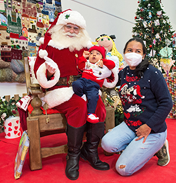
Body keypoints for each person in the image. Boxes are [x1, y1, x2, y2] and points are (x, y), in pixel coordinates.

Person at [33, 9, 117, 180]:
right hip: (59, 90)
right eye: (68, 27)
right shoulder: (49, 45)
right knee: (79, 107)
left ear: (81, 31)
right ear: (60, 27)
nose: (72, 31)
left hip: (84, 87)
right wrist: (48, 72)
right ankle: (73, 155)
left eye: (76, 28)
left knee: (99, 108)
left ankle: (90, 152)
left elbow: (102, 67)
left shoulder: (87, 47)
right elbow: (38, 71)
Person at [101, 37, 173, 176]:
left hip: (152, 129)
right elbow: (107, 82)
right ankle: (137, 147)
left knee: (123, 169)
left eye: (137, 51)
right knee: (107, 144)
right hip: (130, 125)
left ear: (143, 55)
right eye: (130, 50)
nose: (133, 53)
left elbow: (166, 103)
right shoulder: (123, 73)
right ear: (124, 52)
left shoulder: (153, 73)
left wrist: (148, 126)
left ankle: (159, 146)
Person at [72, 45, 116, 123]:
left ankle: (91, 113)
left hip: (93, 84)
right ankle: (81, 96)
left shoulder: (102, 65)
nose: (94, 55)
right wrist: (83, 57)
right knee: (75, 84)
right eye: (91, 53)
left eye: (97, 53)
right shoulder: (87, 63)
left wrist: (104, 61)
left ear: (102, 56)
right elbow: (80, 66)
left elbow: (112, 65)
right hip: (83, 80)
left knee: (93, 96)